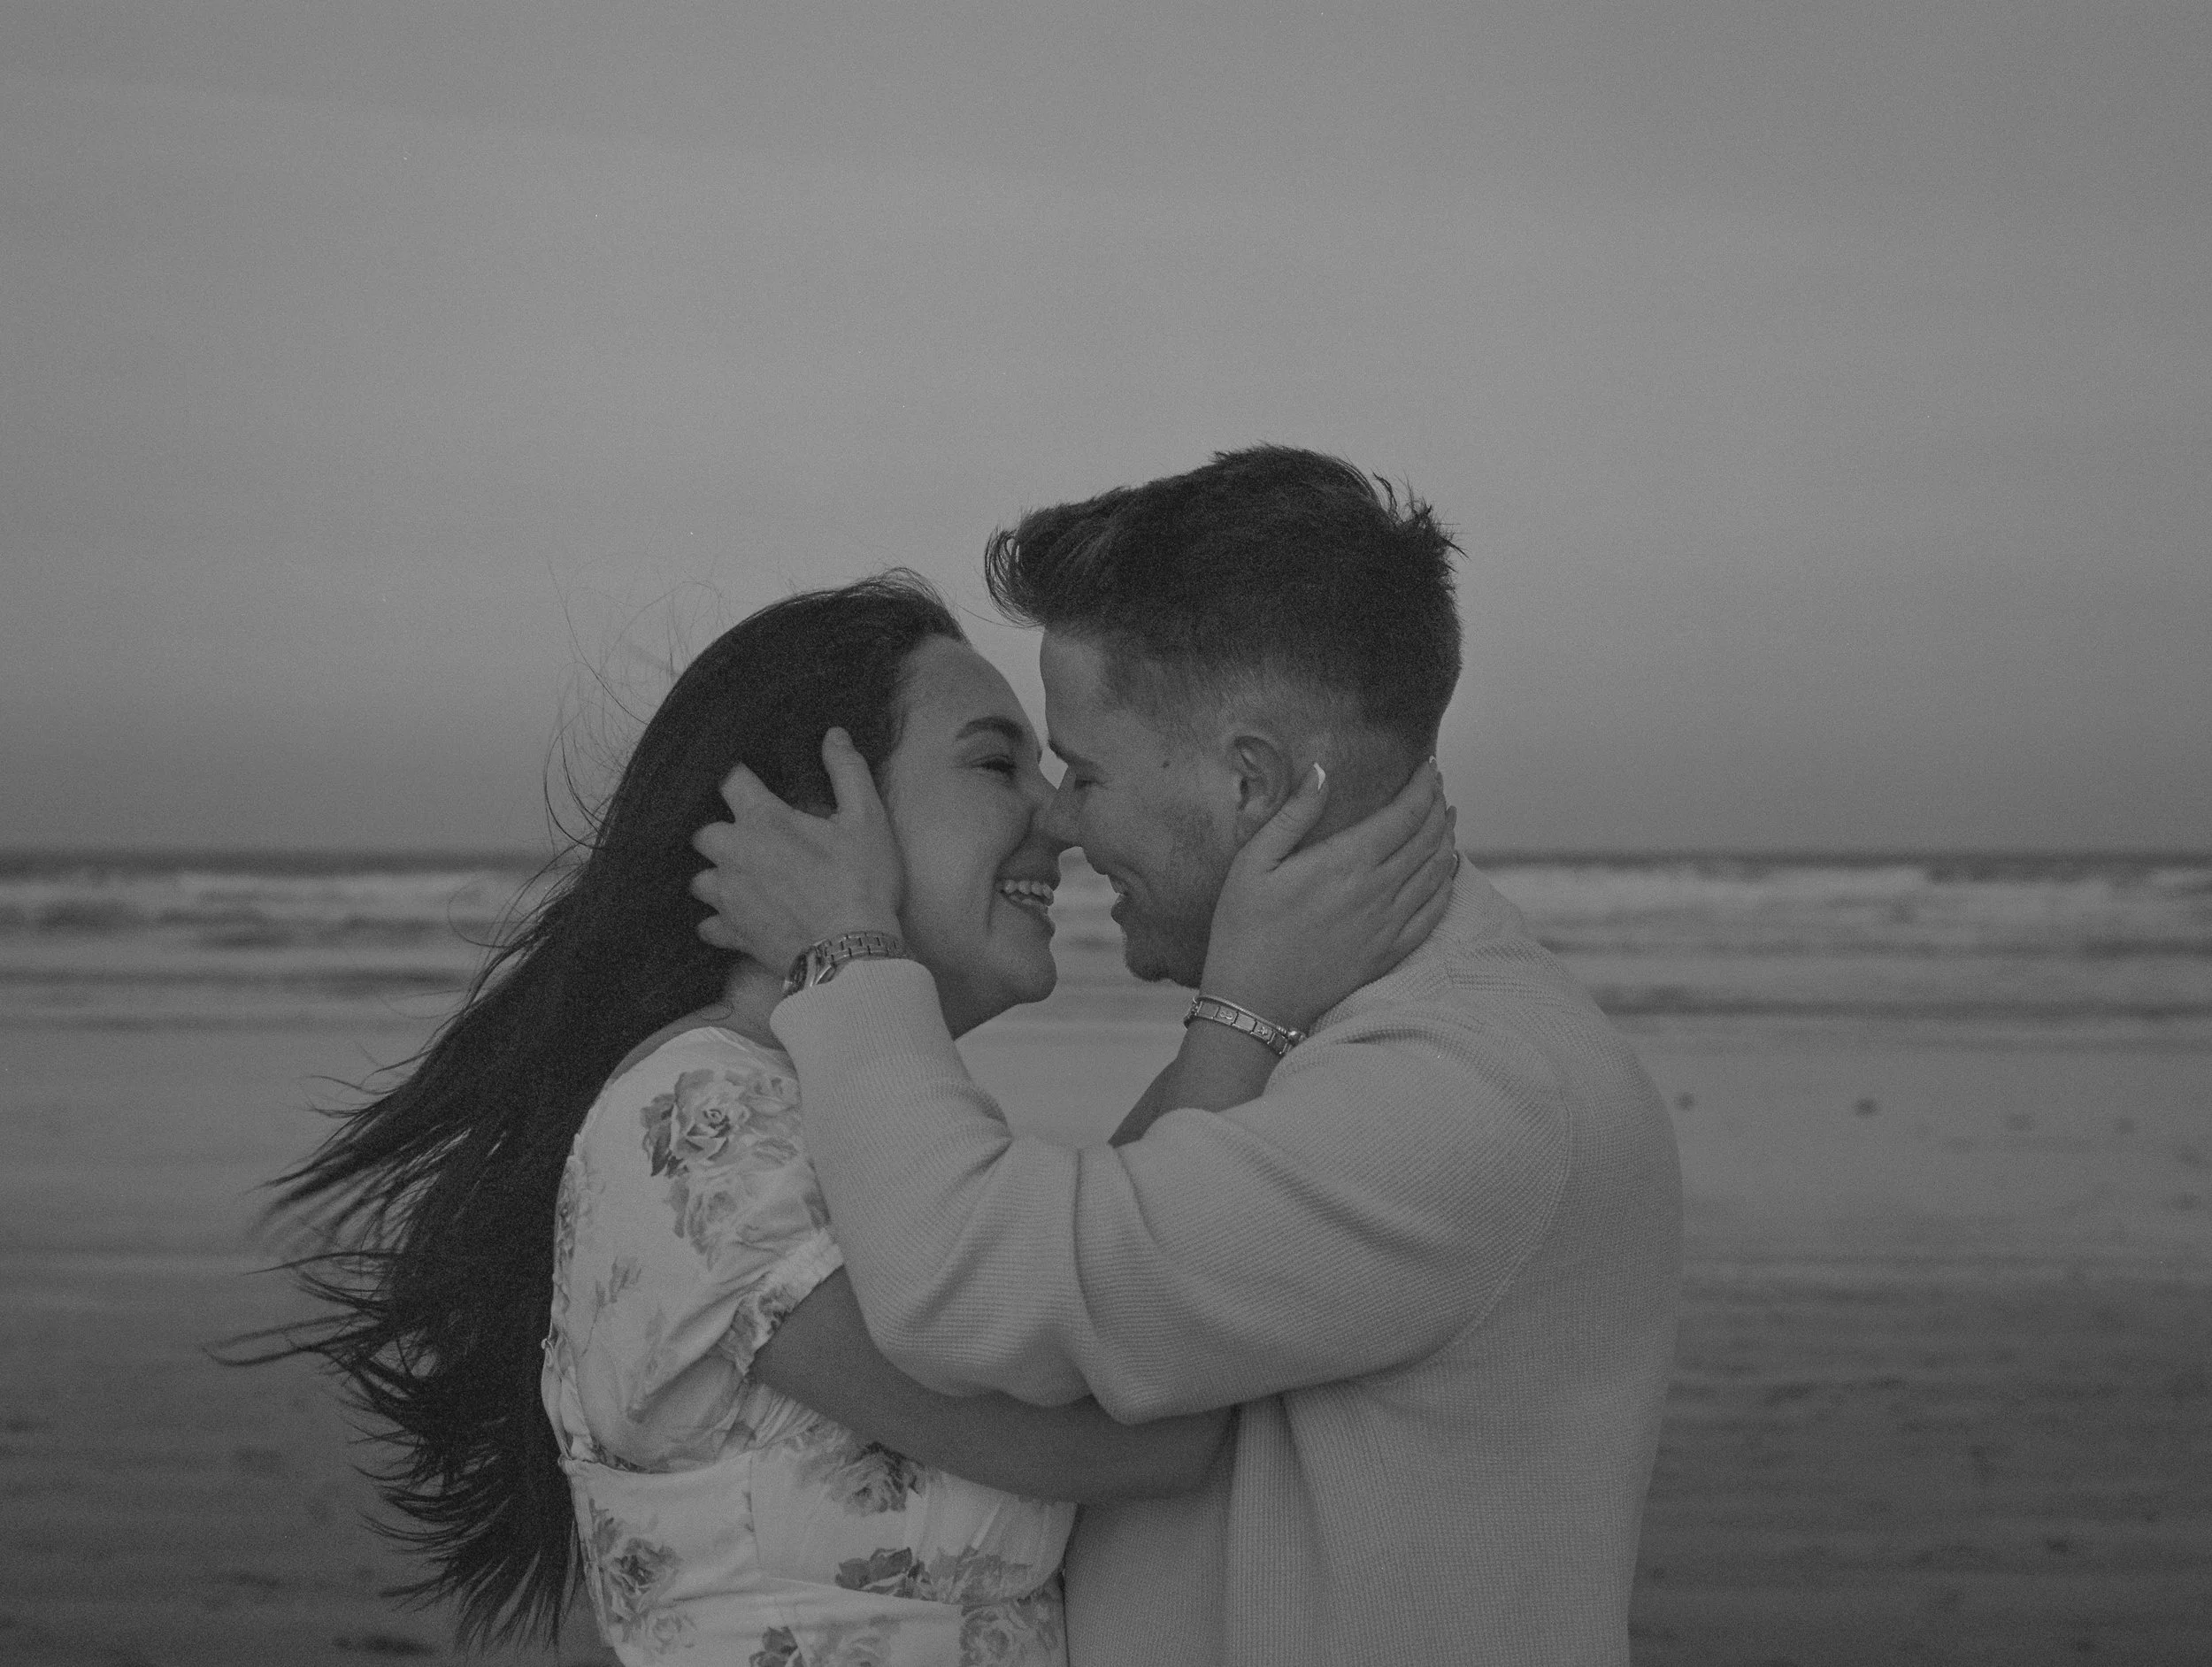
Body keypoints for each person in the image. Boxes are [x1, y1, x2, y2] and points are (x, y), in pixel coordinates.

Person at [256, 571, 1450, 1665]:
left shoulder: (847, 1110)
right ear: (816, 815)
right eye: (996, 766)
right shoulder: (694, 1119)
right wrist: (1247, 1011)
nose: (1061, 819)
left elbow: (1098, 1278)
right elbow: (1128, 1421)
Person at [690, 448, 1686, 1667]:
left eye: (1085, 769)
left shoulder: (1465, 1089)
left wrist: (844, 950)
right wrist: (1245, 1014)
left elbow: (980, 1284)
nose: (1057, 818)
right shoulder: (1348, 1036)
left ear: (1251, 783)